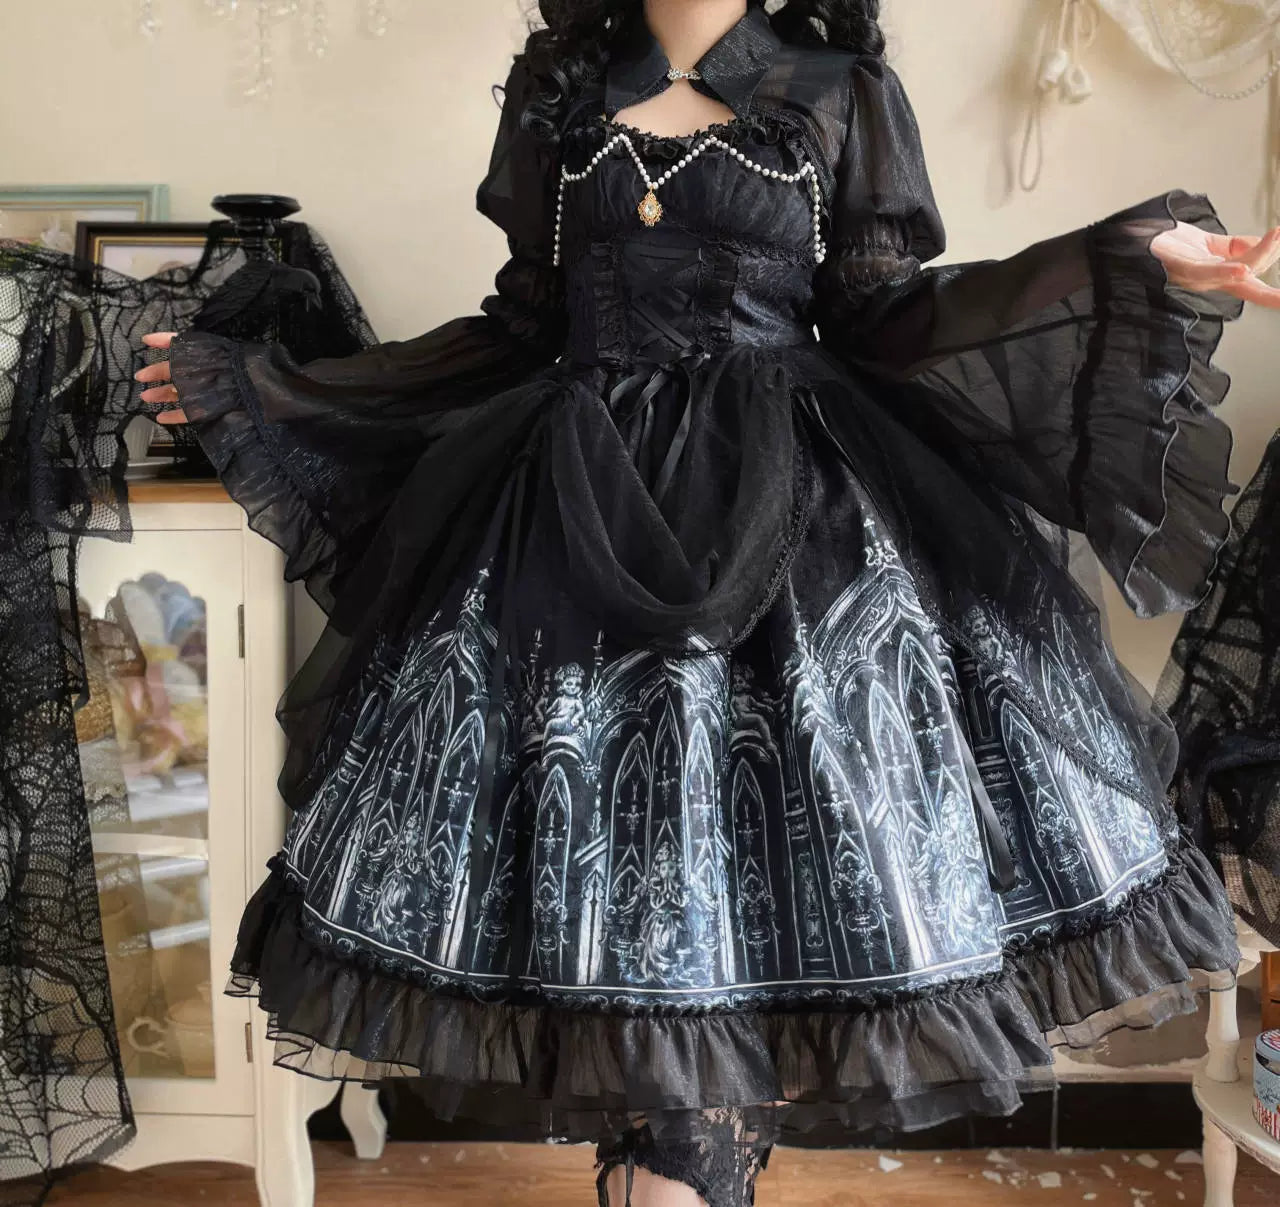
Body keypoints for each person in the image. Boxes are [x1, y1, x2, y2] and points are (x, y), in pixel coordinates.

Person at [135, 2, 1280, 1204]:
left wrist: (1124, 260)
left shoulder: (835, 87)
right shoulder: (562, 85)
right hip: (571, 529)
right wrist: (276, 393)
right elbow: (520, 327)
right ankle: (664, 1174)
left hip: (797, 534)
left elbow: (889, 313)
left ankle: (684, 1175)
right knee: (616, 871)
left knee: (765, 872)